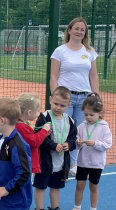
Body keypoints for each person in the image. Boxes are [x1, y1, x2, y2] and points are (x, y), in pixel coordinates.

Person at [50, 17, 99, 176]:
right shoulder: (60, 51)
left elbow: (94, 76)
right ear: (69, 30)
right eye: (76, 28)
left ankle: (72, 164)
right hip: (66, 99)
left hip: (84, 98)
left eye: (82, 30)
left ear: (85, 33)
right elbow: (53, 76)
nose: (79, 31)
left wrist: (95, 96)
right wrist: (57, 98)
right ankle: (58, 164)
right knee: (61, 131)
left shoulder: (89, 52)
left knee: (77, 133)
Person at [0, 97, 32, 210]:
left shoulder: (17, 145)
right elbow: (1, 165)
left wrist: (7, 189)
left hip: (15, 203)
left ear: (2, 121)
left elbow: (24, 173)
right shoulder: (3, 140)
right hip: (4, 202)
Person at [33, 86, 77, 210]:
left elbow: (73, 139)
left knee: (56, 187)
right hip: (44, 162)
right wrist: (53, 145)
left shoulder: (70, 121)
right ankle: (39, 208)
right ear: (50, 99)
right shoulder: (44, 117)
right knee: (41, 186)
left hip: (61, 162)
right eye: (55, 103)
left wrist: (69, 144)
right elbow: (38, 138)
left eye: (62, 106)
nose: (58, 107)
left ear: (69, 105)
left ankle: (55, 207)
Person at [72, 93, 112, 210]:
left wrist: (95, 144)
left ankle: (93, 208)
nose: (88, 117)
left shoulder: (104, 127)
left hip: (96, 163)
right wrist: (77, 142)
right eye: (85, 114)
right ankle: (77, 207)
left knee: (93, 186)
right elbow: (76, 140)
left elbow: (107, 145)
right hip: (83, 162)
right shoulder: (82, 126)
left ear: (100, 113)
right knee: (79, 185)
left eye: (91, 115)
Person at [16, 93, 51, 174]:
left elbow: (29, 139)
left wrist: (43, 135)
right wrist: (44, 130)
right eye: (37, 111)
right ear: (29, 112)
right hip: (25, 164)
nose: (38, 113)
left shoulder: (21, 124)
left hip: (24, 162)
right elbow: (34, 142)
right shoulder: (21, 126)